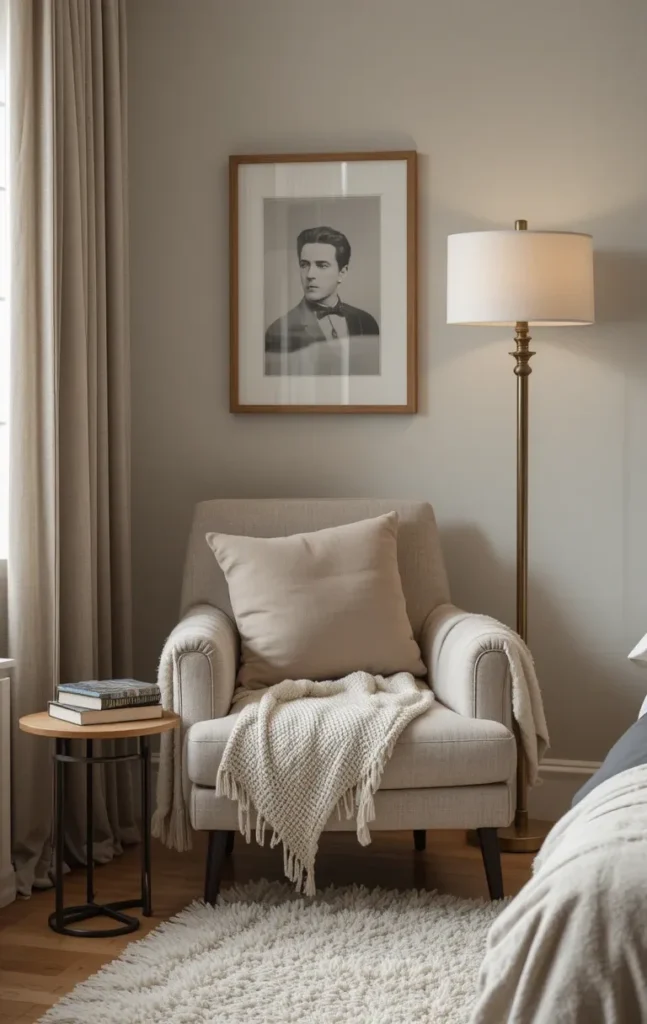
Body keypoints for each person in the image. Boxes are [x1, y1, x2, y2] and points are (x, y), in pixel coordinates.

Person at [265, 225, 380, 376]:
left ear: (342, 273)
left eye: (322, 265)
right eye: (304, 265)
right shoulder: (279, 331)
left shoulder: (366, 322)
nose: (310, 274)